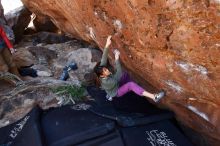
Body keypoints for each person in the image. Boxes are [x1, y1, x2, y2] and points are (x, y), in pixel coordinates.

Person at [94, 35, 165, 102]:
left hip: (115, 84)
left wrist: (107, 44)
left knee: (126, 75)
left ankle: (137, 89)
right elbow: (119, 73)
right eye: (105, 71)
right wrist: (116, 59)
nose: (107, 69)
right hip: (116, 92)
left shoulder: (101, 71)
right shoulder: (107, 82)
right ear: (102, 76)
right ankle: (154, 97)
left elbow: (103, 58)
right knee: (130, 85)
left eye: (105, 69)